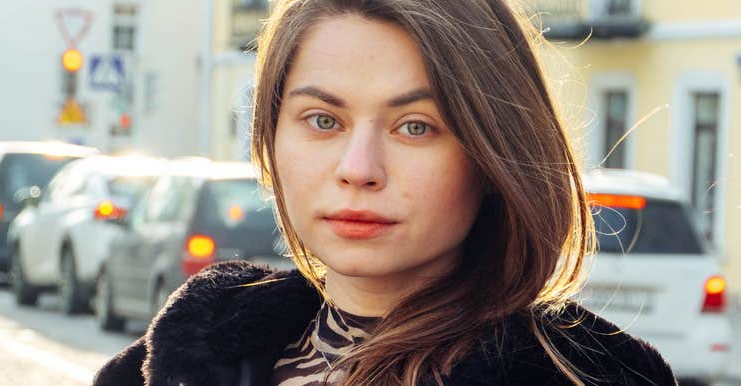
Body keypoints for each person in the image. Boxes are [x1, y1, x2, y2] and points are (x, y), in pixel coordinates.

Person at [93, 1, 677, 385]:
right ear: (270, 138)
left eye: (415, 127)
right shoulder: (175, 357)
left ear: (493, 152)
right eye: (323, 120)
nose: (359, 169)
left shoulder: (591, 377)